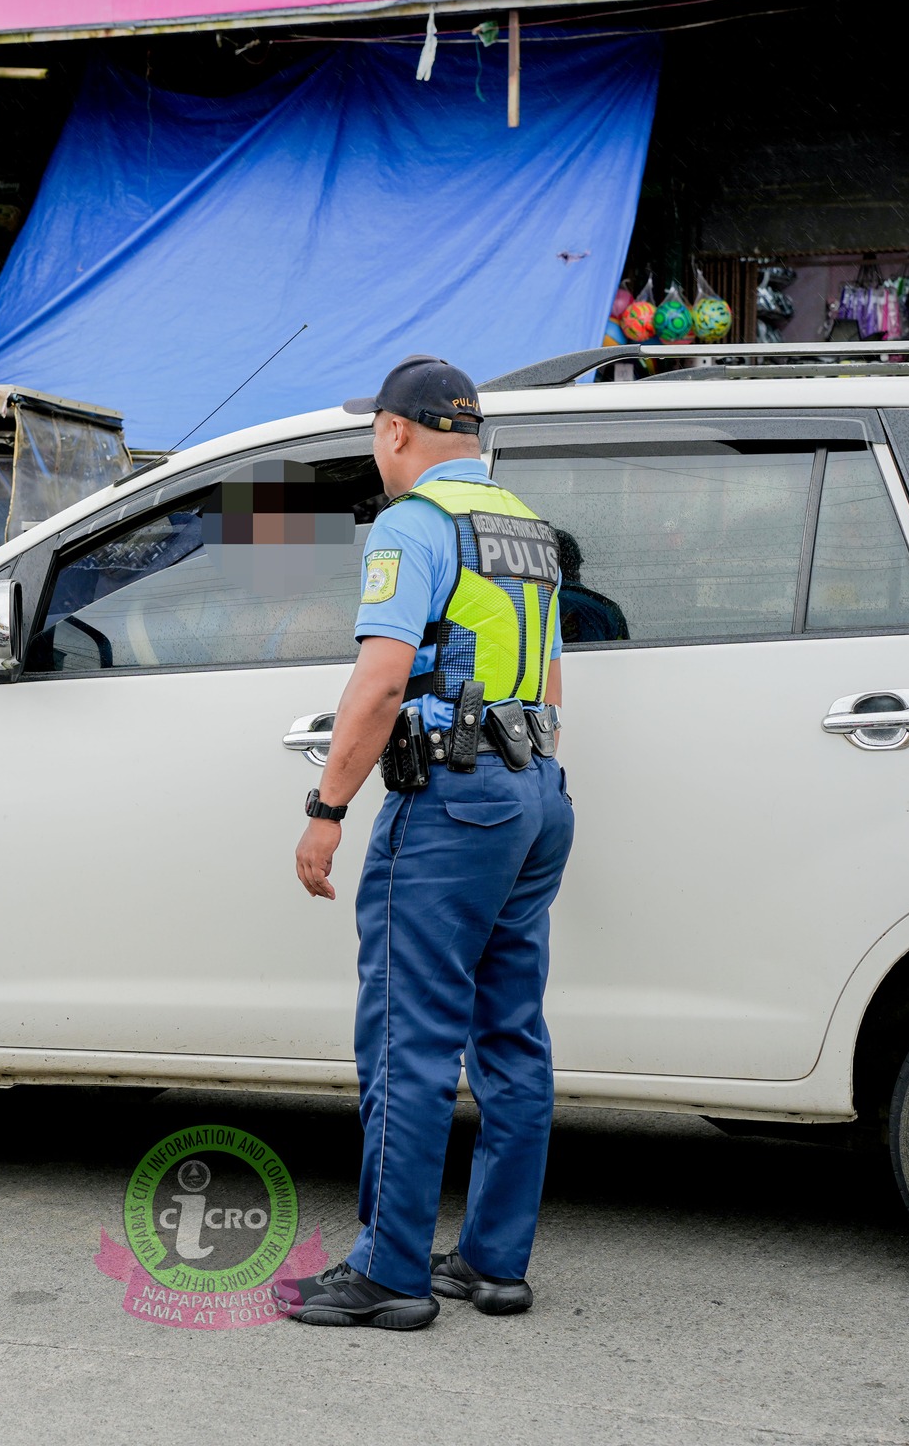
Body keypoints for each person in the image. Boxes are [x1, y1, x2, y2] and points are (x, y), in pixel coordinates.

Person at [279, 355, 575, 1331]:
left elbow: (378, 681)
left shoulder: (413, 525)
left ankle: (390, 1269)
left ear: (395, 432)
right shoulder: (522, 528)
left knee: (406, 1032)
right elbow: (552, 686)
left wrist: (325, 810)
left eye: (375, 431)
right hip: (534, 789)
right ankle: (491, 1261)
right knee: (508, 1031)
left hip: (454, 799)